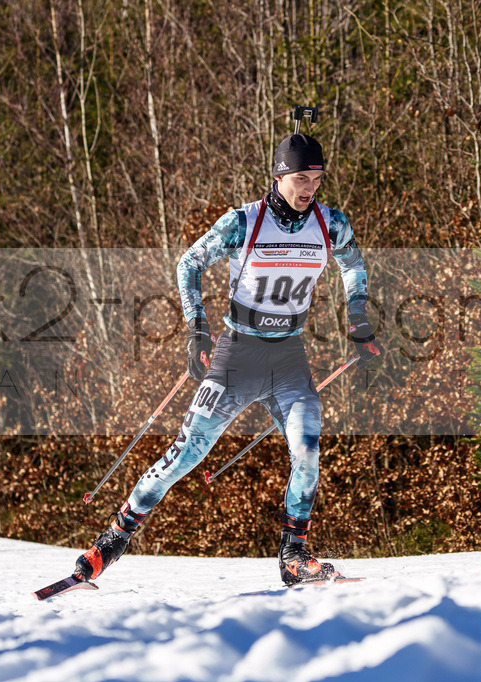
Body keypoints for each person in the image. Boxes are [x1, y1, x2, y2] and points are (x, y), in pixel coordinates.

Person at [74, 131, 382, 586]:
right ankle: (111, 541)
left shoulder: (331, 224)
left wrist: (357, 313)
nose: (309, 188)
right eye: (301, 178)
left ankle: (294, 556)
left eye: (317, 179)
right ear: (279, 176)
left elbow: (353, 264)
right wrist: (197, 327)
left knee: (308, 451)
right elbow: (189, 263)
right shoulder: (244, 222)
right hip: (238, 355)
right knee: (186, 455)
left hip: (290, 358)